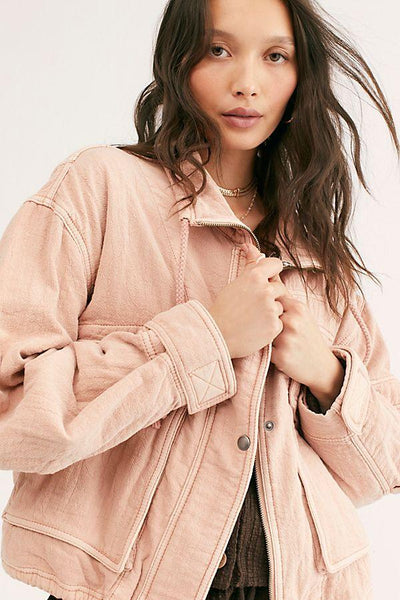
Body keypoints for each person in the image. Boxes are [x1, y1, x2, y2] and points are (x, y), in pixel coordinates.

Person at [0, 0, 399, 599]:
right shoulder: (100, 188)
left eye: (275, 56)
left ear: (301, 75)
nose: (247, 83)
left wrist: (326, 375)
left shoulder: (313, 243)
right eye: (218, 50)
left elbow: (385, 470)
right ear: (178, 59)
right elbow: (12, 411)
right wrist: (203, 340)